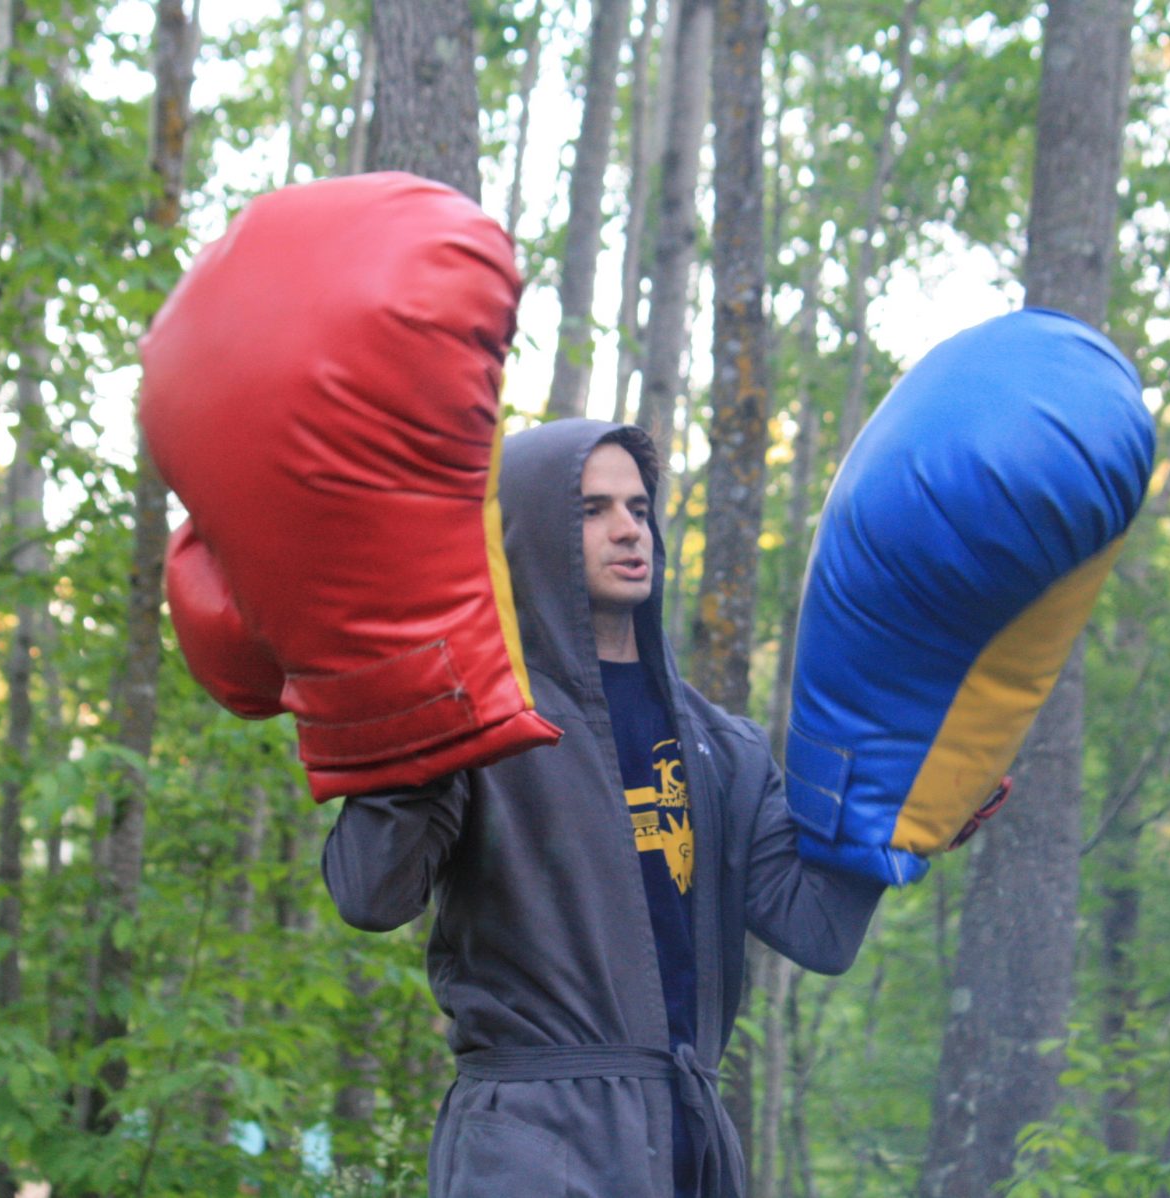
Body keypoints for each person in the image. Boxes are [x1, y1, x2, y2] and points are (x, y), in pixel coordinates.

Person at [322, 418, 884, 1198]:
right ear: (527, 532)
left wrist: (906, 812)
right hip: (531, 1143)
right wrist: (411, 730)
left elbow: (816, 927)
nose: (630, 529)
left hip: (687, 1145)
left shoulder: (724, 744)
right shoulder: (478, 723)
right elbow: (370, 893)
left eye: (638, 506)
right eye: (591, 510)